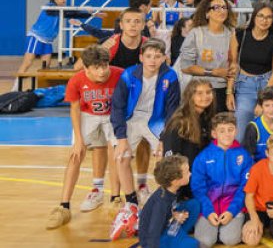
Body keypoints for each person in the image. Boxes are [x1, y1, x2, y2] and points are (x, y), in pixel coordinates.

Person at [109, 39, 181, 240]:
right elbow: (117, 108)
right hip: (131, 119)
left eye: (157, 56)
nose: (153, 60)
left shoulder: (170, 76)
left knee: (164, 160)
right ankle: (131, 202)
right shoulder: (129, 74)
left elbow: (172, 111)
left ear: (164, 58)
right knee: (121, 157)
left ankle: (160, 203)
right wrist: (121, 137)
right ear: (141, 57)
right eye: (148, 56)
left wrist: (163, 138)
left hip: (156, 120)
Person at [47, 45, 121, 230]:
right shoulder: (76, 80)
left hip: (113, 115)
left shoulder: (120, 74)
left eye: (105, 66)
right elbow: (74, 109)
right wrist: (79, 140)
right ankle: (63, 206)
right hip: (87, 115)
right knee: (75, 156)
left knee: (115, 153)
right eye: (97, 67)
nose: (103, 71)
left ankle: (116, 198)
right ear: (86, 68)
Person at [191, 112, 252, 248]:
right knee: (205, 242)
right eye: (222, 131)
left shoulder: (244, 156)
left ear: (236, 131)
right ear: (214, 133)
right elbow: (198, 189)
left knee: (230, 240)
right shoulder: (203, 157)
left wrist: (232, 211)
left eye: (230, 130)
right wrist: (208, 211)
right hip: (208, 206)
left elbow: (245, 187)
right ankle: (209, 227)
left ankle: (227, 226)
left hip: (233, 207)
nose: (227, 134)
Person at [230, 5, 273, 139]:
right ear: (254, 17)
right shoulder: (240, 34)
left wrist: (263, 101)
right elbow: (232, 65)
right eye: (260, 16)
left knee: (270, 132)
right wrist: (229, 92)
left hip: (268, 84)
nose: (264, 20)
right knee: (241, 130)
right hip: (245, 85)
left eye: (269, 17)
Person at [177, 0, 236, 109]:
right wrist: (214, 72)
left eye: (224, 7)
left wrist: (230, 93)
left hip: (223, 89)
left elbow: (234, 65)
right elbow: (185, 67)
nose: (222, 11)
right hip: (199, 88)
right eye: (216, 7)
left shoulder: (232, 34)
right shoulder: (196, 34)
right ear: (207, 13)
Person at [132, 155, 196, 247]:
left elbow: (167, 210)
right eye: (187, 172)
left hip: (165, 227)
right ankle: (175, 239)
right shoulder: (161, 203)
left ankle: (178, 236)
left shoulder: (171, 189)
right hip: (154, 240)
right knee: (192, 245)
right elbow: (153, 232)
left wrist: (173, 215)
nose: (190, 174)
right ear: (175, 180)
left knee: (194, 205)